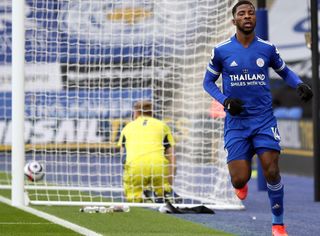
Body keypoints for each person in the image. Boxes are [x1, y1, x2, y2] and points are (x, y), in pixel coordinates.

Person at [203, 1, 313, 236]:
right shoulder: (221, 50)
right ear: (234, 21)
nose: (247, 16)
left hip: (264, 120)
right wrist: (225, 101)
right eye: (241, 13)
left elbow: (284, 71)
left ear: (255, 19)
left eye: (251, 13)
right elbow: (208, 83)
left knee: (271, 171)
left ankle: (278, 224)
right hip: (237, 123)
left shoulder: (267, 48)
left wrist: (299, 84)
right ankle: (240, 186)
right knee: (239, 178)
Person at [117, 100, 179, 203]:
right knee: (162, 193)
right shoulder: (162, 126)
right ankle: (163, 192)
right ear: (152, 112)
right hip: (158, 168)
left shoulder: (127, 128)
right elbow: (172, 158)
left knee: (134, 201)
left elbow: (123, 158)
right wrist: (169, 185)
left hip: (135, 169)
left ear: (135, 113)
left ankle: (141, 195)